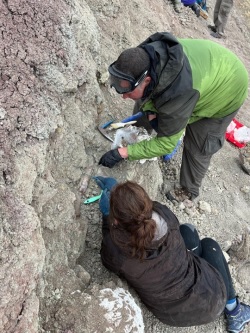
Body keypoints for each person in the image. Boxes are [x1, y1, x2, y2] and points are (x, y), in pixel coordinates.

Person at [99, 32, 248, 200]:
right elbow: (147, 97)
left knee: (199, 142)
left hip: (229, 87)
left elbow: (166, 144)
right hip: (209, 63)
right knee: (144, 100)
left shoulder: (178, 93)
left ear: (147, 80)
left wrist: (123, 153)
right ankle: (137, 133)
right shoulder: (142, 57)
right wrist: (151, 115)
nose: (123, 96)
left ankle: (188, 190)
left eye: (125, 90)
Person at [94, 176, 250, 333]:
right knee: (204, 242)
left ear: (117, 221)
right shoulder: (166, 217)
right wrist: (123, 201)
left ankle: (233, 310)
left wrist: (107, 217)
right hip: (213, 297)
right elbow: (146, 214)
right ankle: (234, 311)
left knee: (190, 237)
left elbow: (109, 259)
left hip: (174, 314)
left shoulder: (115, 252)